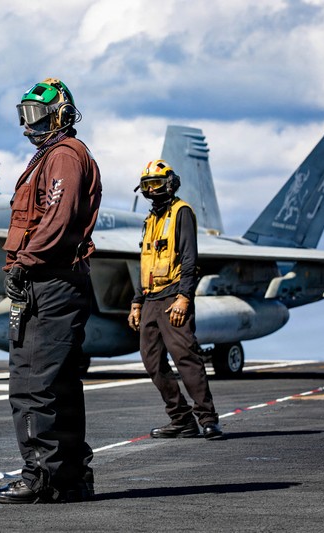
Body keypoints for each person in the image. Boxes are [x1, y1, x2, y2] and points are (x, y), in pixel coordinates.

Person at [0, 78, 102, 504]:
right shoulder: (52, 157)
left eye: (35, 116)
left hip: (50, 282)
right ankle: (70, 478)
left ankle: (42, 477)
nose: (27, 126)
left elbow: (56, 219)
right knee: (57, 383)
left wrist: (25, 263)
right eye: (24, 116)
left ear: (59, 115)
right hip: (52, 280)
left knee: (34, 384)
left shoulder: (63, 157)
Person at [127, 159, 223, 440]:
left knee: (186, 357)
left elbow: (190, 258)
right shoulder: (150, 220)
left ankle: (207, 418)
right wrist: (136, 302)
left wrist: (184, 297)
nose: (151, 190)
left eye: (156, 184)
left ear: (170, 184)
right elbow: (144, 262)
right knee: (152, 361)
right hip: (150, 299)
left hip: (172, 296)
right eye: (147, 185)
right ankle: (181, 419)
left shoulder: (181, 213)